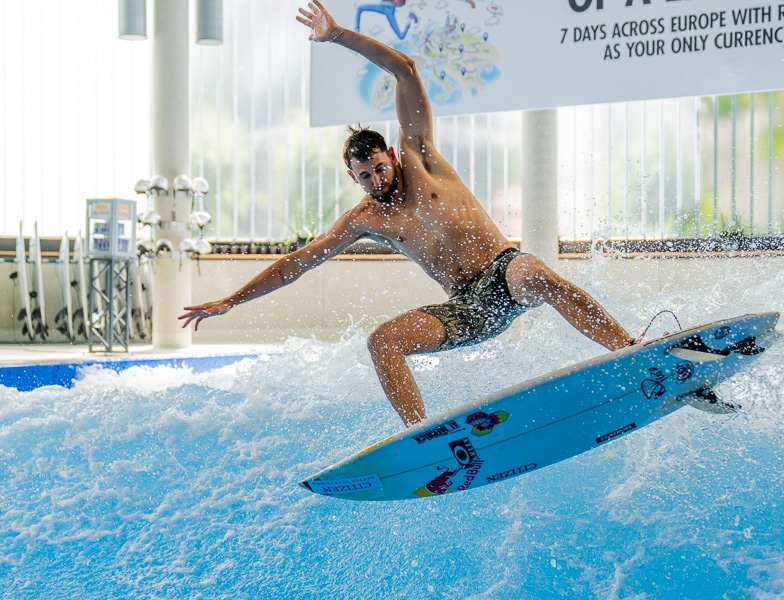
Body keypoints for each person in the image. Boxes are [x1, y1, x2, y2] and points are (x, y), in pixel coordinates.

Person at [179, 0, 632, 427]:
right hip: (468, 307)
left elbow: (405, 69)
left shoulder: (420, 155)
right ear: (352, 178)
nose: (376, 181)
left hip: (502, 272)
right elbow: (298, 263)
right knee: (383, 343)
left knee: (531, 271)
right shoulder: (365, 220)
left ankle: (628, 350)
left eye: (379, 168)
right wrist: (230, 300)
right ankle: (424, 437)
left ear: (392, 154)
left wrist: (335, 35)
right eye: (364, 176)